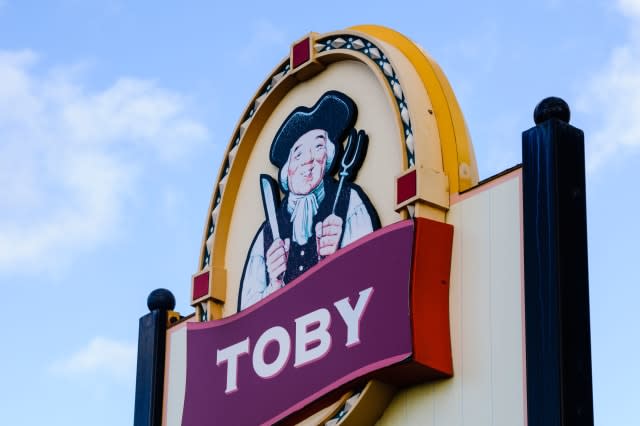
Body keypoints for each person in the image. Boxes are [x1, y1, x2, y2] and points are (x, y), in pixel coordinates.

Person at [238, 91, 380, 310]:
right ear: (287, 171)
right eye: (298, 153)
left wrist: (341, 258)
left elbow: (377, 278)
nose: (310, 159)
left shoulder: (348, 202)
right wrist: (274, 283)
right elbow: (245, 321)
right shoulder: (267, 236)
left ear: (329, 156)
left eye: (319, 146)